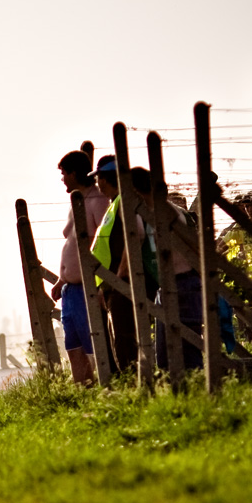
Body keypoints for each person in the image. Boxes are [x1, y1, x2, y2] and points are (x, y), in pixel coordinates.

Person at [49, 149, 111, 384]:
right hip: (70, 290)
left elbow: (105, 243)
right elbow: (73, 242)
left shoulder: (98, 201)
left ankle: (103, 389)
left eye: (64, 174)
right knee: (73, 348)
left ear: (74, 173)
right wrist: (62, 279)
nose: (63, 179)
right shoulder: (77, 199)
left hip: (89, 287)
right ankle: (82, 394)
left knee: (94, 347)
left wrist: (102, 283)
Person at [135, 169, 204, 372]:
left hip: (183, 284)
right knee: (165, 353)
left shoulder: (165, 212)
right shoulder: (151, 213)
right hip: (169, 286)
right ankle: (179, 394)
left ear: (136, 192)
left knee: (187, 350)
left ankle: (199, 393)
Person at [89, 155, 152, 373]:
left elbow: (136, 235)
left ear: (103, 180)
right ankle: (131, 382)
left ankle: (135, 383)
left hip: (121, 281)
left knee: (125, 338)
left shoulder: (124, 201)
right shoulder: (115, 203)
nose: (97, 184)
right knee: (119, 336)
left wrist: (123, 273)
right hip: (111, 282)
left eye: (98, 179)